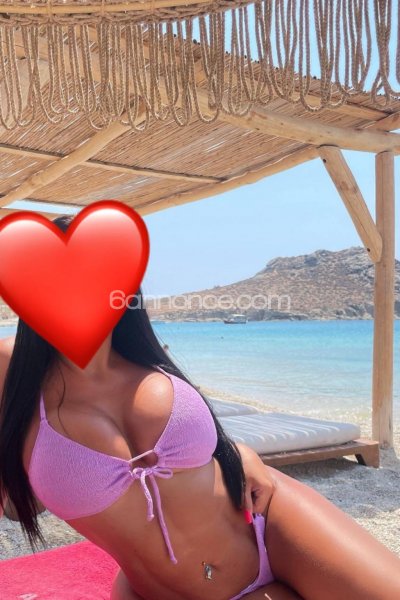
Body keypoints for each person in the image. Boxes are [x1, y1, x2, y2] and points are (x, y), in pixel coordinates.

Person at [0, 215, 399, 600]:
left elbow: (204, 455)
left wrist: (240, 451)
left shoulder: (144, 360)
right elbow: (16, 500)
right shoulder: (12, 370)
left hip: (271, 525)